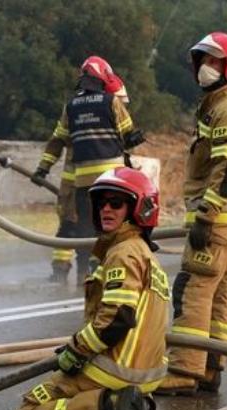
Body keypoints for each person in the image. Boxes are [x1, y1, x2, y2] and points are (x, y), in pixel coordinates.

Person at [11, 167, 168, 410]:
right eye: (102, 203)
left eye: (116, 203)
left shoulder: (124, 252)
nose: (106, 209)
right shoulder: (146, 257)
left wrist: (76, 350)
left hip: (113, 370)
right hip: (144, 374)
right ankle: (129, 405)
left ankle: (112, 407)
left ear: (139, 210)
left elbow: (117, 318)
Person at [156, 32, 227, 396]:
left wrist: (205, 215)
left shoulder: (226, 109)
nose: (205, 68)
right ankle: (211, 368)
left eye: (214, 61)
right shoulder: (224, 106)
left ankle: (184, 370)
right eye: (203, 61)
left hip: (215, 223)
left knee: (192, 291)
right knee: (217, 296)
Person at [32, 56, 142, 285]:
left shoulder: (71, 106)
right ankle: (99, 272)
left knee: (83, 228)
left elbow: (57, 140)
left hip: (82, 183)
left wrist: (42, 169)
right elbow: (129, 135)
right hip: (112, 180)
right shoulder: (111, 102)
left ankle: (81, 272)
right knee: (108, 227)